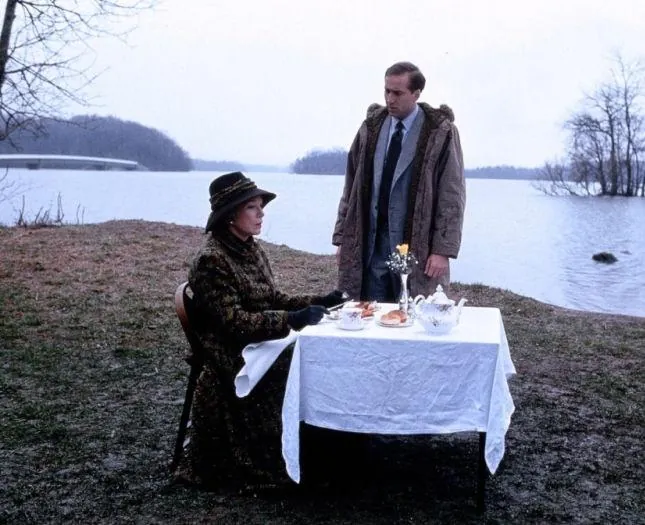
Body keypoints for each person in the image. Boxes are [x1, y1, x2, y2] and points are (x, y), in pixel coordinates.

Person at [175, 171, 346, 491]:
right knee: (302, 361)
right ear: (230, 215)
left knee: (315, 353)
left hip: (255, 341)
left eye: (260, 206)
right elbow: (234, 323)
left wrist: (320, 301)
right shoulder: (212, 260)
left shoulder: (249, 248)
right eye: (252, 207)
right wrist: (291, 320)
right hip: (231, 352)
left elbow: (273, 299)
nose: (261, 213)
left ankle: (318, 445)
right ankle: (286, 456)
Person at [333, 61, 466, 302]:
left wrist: (442, 251)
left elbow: (452, 196)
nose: (390, 99)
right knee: (370, 313)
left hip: (419, 246)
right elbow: (350, 187)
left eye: (397, 93)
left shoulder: (440, 132)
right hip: (372, 245)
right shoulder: (370, 128)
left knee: (416, 313)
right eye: (387, 91)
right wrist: (343, 238)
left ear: (416, 93)